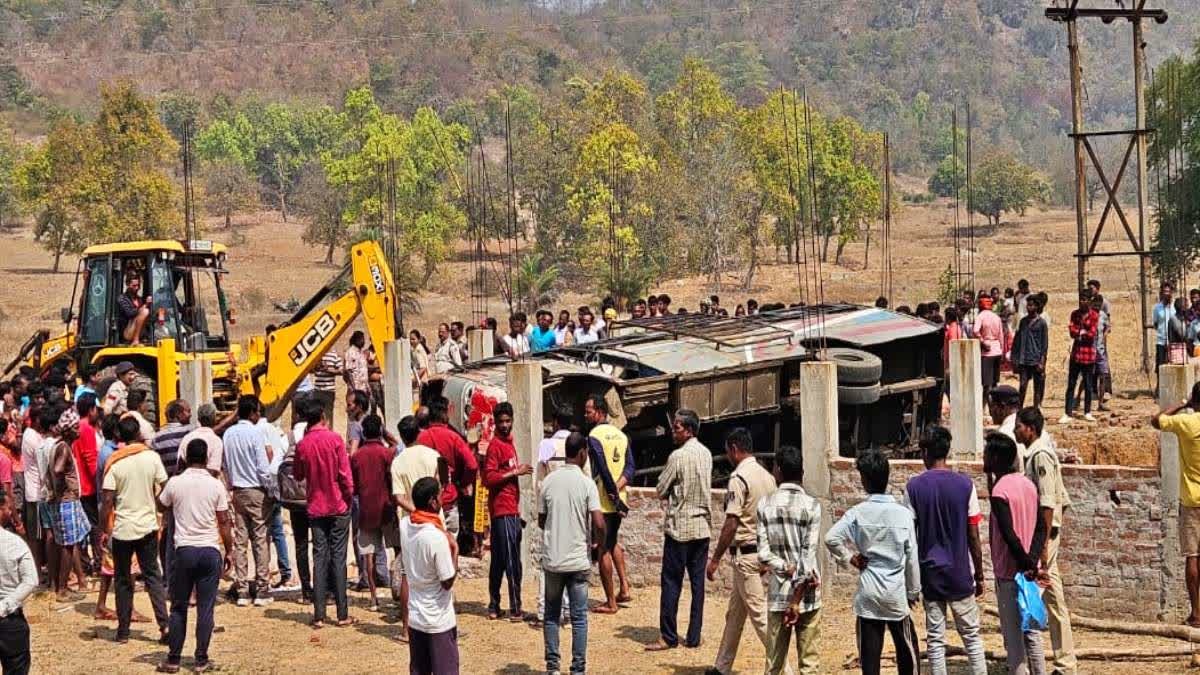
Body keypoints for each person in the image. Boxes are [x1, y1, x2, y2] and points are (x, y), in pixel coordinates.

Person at [824, 450, 921, 675]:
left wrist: (850, 557)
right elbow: (912, 558)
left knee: (869, 658)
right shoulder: (903, 514)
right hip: (895, 592)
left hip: (868, 591)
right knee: (907, 651)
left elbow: (831, 538)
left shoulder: (858, 513)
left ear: (864, 480)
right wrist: (913, 591)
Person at [906, 427, 986, 675]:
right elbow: (973, 534)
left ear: (925, 452)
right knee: (972, 636)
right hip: (960, 572)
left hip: (930, 573)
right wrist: (979, 574)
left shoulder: (914, 487)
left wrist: (911, 580)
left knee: (935, 639)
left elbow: (910, 537)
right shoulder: (965, 485)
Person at [156, 439, 235, 674]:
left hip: (184, 551)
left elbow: (160, 505)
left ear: (185, 457)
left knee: (178, 607)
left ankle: (173, 659)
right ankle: (201, 660)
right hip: (209, 550)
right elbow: (224, 522)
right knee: (205, 608)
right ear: (207, 457)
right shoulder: (215, 485)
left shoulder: (176, 482)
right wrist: (229, 550)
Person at [706, 428, 777, 675]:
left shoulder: (738, 478)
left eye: (728, 451)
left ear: (735, 449)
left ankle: (784, 669)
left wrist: (715, 559)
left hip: (744, 554)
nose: (727, 456)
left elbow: (731, 523)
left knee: (760, 617)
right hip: (760, 552)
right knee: (734, 616)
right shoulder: (768, 478)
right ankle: (721, 667)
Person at [646, 409, 713, 652]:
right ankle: (694, 635)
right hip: (702, 527)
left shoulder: (677, 456)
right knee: (697, 585)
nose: (673, 432)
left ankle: (668, 636)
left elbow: (661, 489)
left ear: (689, 430)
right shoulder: (706, 454)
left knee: (671, 583)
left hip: (680, 528)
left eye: (677, 428)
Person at [1016, 407, 1076, 674]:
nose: (1016, 430)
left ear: (1030, 429)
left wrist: (1041, 549)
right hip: (1045, 535)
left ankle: (1035, 661)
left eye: (1019, 426)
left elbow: (1048, 504)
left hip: (1044, 536)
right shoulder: (1034, 454)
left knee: (1033, 594)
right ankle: (1065, 663)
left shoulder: (1041, 456)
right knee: (1054, 599)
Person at [539, 431, 604, 675]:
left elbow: (541, 520)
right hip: (577, 561)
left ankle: (553, 667)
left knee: (551, 615)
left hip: (553, 560)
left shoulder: (548, 482)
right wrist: (599, 545)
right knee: (579, 618)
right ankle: (578, 669)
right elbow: (599, 523)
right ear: (583, 453)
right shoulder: (587, 484)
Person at [983, 432, 1048, 675]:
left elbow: (1009, 535)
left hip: (1010, 574)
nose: (983, 457)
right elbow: (1041, 527)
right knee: (1032, 634)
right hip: (1028, 573)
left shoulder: (1000, 491)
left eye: (987, 453)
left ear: (996, 458)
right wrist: (1032, 562)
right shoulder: (1028, 485)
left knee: (1014, 642)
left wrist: (1024, 563)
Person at [100, 415, 169, 643]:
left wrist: (104, 530)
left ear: (119, 436)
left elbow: (107, 500)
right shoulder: (152, 457)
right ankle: (165, 626)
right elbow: (165, 487)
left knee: (122, 580)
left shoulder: (115, 462)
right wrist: (157, 505)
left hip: (123, 529)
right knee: (153, 577)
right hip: (148, 526)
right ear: (139, 433)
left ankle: (123, 631)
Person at [758, 445, 821, 675]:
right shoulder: (812, 506)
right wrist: (797, 599)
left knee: (774, 664)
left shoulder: (765, 505)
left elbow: (763, 554)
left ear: (777, 471)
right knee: (809, 665)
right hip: (808, 595)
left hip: (779, 594)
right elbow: (808, 556)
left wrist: (785, 567)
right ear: (802, 473)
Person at [293, 396, 355, 628]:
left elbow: (298, 474)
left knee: (319, 557)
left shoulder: (303, 444)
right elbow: (345, 475)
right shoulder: (335, 439)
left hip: (316, 507)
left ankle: (319, 614)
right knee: (338, 558)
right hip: (338, 505)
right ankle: (342, 614)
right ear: (323, 416)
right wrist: (348, 496)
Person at [390, 415, 443, 636]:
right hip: (435, 519)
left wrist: (415, 510)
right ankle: (438, 623)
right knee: (438, 571)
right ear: (419, 432)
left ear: (402, 436)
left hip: (411, 523)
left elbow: (398, 497)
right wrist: (428, 511)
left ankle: (406, 628)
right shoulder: (433, 455)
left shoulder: (398, 462)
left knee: (407, 575)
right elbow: (441, 485)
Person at [1153, 381, 1200, 627]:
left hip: (1191, 499)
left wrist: (1182, 403)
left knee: (1192, 555)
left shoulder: (1186, 423)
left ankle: (1196, 613)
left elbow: (1156, 420)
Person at [401, 477, 459, 675]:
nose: (443, 499)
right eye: (440, 496)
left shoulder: (405, 525)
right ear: (433, 502)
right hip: (438, 621)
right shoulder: (436, 537)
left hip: (415, 617)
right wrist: (455, 551)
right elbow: (447, 581)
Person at [222, 395, 274, 606]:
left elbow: (225, 464)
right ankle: (262, 589)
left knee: (241, 541)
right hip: (256, 490)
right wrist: (270, 488)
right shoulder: (255, 433)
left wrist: (231, 484)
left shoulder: (228, 434)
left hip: (238, 490)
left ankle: (242, 589)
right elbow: (262, 466)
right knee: (260, 540)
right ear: (252, 413)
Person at [585, 395, 634, 615]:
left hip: (603, 502)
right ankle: (624, 587)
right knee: (613, 541)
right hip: (619, 500)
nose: (586, 415)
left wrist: (611, 493)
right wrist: (618, 489)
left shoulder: (594, 436)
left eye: (589, 411)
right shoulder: (622, 436)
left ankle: (611, 602)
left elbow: (602, 469)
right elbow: (631, 467)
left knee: (603, 548)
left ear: (600, 412)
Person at [482, 402, 531, 621]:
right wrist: (514, 472)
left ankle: (494, 606)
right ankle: (516, 608)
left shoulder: (509, 444)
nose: (504, 425)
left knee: (500, 560)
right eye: (501, 421)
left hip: (510, 509)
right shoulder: (495, 446)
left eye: (507, 421)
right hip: (503, 511)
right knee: (512, 561)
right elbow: (489, 478)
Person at [535, 406, 580, 626]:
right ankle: (570, 610)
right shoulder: (577, 444)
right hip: (573, 510)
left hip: (552, 509)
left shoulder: (546, 445)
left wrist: (541, 511)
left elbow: (539, 484)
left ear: (555, 422)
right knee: (572, 561)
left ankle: (546, 611)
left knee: (548, 561)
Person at [350, 414, 397, 611]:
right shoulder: (386, 453)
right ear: (379, 431)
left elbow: (353, 486)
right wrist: (386, 433)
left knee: (368, 555)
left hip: (366, 510)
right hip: (386, 508)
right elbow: (396, 444)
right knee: (397, 549)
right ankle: (398, 590)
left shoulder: (356, 456)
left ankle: (373, 597)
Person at [45, 407, 90, 603]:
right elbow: (58, 469)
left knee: (71, 543)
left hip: (65, 501)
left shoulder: (59, 445)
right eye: (76, 427)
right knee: (68, 546)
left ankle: (68, 585)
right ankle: (62, 589)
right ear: (69, 430)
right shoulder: (63, 448)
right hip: (66, 502)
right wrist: (63, 487)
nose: (79, 430)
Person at [416, 397, 477, 540]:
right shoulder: (454, 438)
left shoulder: (420, 439)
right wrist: (463, 483)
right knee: (450, 545)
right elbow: (472, 465)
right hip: (449, 498)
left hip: (426, 502)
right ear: (446, 414)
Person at [0, 489, 36, 675]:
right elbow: (31, 580)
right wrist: (5, 606)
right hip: (9, 621)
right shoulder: (15, 543)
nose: (9, 511)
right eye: (7, 507)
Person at [1061, 289, 1099, 424]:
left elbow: (1092, 334)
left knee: (1088, 385)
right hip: (1076, 354)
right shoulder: (1075, 314)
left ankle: (1087, 412)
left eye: (1085, 299)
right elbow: (1072, 332)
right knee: (1071, 384)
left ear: (1090, 301)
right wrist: (1081, 332)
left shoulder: (1094, 315)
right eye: (1081, 299)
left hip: (1088, 355)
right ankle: (1067, 412)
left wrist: (1080, 333)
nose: (1082, 302)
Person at [73, 395, 101, 573]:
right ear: (91, 410)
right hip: (88, 485)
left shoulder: (77, 426)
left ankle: (86, 562)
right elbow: (91, 459)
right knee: (94, 526)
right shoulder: (87, 429)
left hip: (80, 484)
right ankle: (98, 561)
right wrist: (99, 482)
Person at [1011, 293, 1048, 410]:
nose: (1029, 307)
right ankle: (1019, 409)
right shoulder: (1023, 322)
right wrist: (1014, 357)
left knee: (1037, 387)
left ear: (1036, 306)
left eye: (1031, 305)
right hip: (1024, 359)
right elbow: (1017, 340)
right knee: (1022, 386)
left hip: (1036, 359)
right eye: (1028, 305)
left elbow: (1044, 345)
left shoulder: (1042, 323)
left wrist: (1042, 362)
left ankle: (1036, 409)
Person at [177, 404, 224, 478]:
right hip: (208, 483)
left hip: (186, 481)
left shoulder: (187, 438)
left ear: (198, 419)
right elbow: (213, 471)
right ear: (214, 418)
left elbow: (180, 465)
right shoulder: (216, 441)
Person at [973, 296, 1003, 403]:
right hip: (997, 350)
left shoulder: (980, 316)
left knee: (986, 384)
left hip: (987, 353)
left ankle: (986, 406)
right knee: (995, 382)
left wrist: (982, 341)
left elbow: (975, 331)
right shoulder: (997, 317)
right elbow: (1001, 335)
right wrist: (1001, 349)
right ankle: (995, 405)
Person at [118, 271, 152, 345]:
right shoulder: (122, 299)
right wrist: (145, 305)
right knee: (145, 311)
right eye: (134, 285)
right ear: (127, 284)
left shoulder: (139, 299)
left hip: (140, 330)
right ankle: (135, 339)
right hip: (127, 332)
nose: (137, 288)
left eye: (138, 285)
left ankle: (147, 336)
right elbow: (130, 313)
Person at [313, 348, 343, 429]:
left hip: (329, 391)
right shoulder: (317, 354)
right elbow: (312, 370)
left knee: (328, 416)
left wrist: (328, 370)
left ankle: (328, 434)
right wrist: (316, 367)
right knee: (316, 417)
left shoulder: (335, 355)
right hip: (317, 390)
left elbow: (341, 371)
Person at [345, 331, 371, 402]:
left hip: (363, 389)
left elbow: (363, 371)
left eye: (363, 339)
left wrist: (367, 387)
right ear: (356, 340)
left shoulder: (361, 353)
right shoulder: (350, 352)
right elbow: (348, 372)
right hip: (355, 390)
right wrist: (354, 389)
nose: (363, 341)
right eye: (361, 339)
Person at [1155, 281, 1176, 370]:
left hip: (1174, 342)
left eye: (1168, 291)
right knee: (1160, 367)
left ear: (1171, 292)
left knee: (1174, 366)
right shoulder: (1157, 308)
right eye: (1164, 291)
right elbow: (1155, 324)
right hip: (1161, 341)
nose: (1166, 293)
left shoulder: (1175, 307)